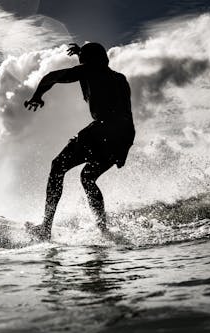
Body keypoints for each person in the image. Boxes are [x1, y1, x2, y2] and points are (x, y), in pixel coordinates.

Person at [24, 42, 135, 241]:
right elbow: (95, 73)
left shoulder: (89, 70)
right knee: (88, 177)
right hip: (124, 136)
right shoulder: (118, 78)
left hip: (103, 129)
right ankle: (104, 231)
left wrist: (37, 96)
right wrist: (81, 55)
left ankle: (45, 228)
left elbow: (52, 77)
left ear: (88, 61)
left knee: (58, 166)